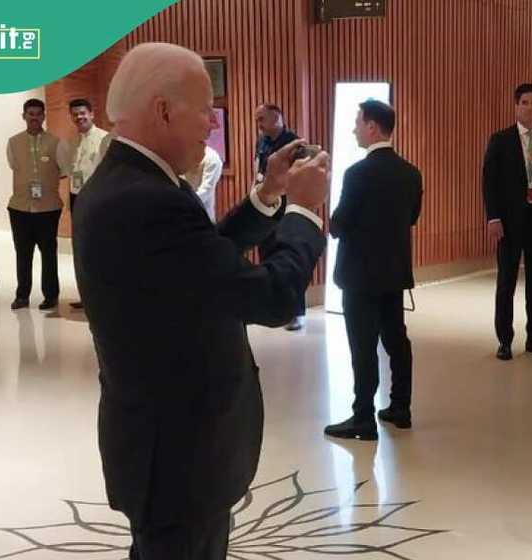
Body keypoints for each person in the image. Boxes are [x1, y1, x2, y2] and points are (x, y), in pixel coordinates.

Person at [73, 42, 329, 559]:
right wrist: (303, 212)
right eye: (205, 109)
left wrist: (268, 195)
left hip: (166, 447)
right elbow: (274, 297)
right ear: (163, 110)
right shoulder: (147, 198)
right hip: (179, 456)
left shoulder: (132, 181)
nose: (212, 124)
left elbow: (201, 256)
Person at [325, 100, 423, 441]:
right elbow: (411, 217)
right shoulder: (411, 173)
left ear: (372, 127)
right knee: (396, 339)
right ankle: (401, 407)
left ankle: (363, 418)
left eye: (357, 122)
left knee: (362, 346)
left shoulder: (356, 174)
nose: (354, 129)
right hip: (393, 273)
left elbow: (338, 224)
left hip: (359, 276)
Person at [482, 83, 532, 361]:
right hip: (509, 220)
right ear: (516, 106)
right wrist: (493, 217)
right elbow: (489, 182)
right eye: (525, 102)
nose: (530, 107)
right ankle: (505, 339)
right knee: (506, 282)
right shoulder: (501, 140)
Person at [6, 98, 65, 311]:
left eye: (38, 114)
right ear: (24, 116)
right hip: (20, 207)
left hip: (48, 208)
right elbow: (14, 165)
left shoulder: (56, 142)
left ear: (43, 116)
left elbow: (64, 170)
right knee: (23, 253)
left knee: (48, 253)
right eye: (30, 114)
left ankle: (51, 296)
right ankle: (22, 295)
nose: (34, 117)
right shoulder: (13, 142)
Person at [253, 103, 306, 332]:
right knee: (268, 256)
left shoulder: (294, 144)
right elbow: (258, 170)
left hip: (286, 209)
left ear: (276, 118)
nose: (258, 125)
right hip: (266, 206)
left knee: (289, 259)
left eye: (261, 119)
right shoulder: (262, 142)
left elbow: (301, 176)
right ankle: (274, 309)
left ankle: (296, 311)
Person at [59, 98, 110, 309]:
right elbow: (69, 172)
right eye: (75, 114)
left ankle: (103, 296)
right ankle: (86, 295)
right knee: (81, 250)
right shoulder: (72, 142)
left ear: (92, 114)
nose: (79, 117)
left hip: (98, 198)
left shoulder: (105, 139)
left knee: (99, 249)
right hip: (76, 198)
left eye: (83, 113)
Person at [181, 145, 224, 222]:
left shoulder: (213, 159)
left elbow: (206, 191)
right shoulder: (182, 154)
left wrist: (183, 204)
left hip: (203, 216)